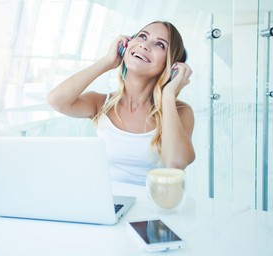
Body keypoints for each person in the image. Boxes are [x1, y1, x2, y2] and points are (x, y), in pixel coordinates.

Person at [47, 21, 195, 185]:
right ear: (125, 46)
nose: (145, 45)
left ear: (172, 65)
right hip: (109, 204)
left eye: (160, 44)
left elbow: (175, 164)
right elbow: (56, 100)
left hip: (155, 207)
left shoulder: (180, 111)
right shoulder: (101, 103)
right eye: (142, 36)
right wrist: (107, 61)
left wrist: (168, 96)